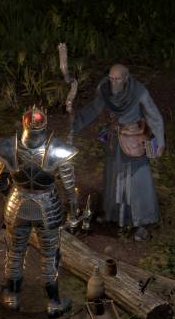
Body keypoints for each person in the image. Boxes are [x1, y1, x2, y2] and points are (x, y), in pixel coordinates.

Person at [0, 107, 82, 317]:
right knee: (49, 256)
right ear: (45, 125)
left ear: (24, 123)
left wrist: (10, 193)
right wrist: (73, 212)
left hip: (16, 205)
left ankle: (12, 297)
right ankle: (54, 303)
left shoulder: (7, 148)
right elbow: (69, 189)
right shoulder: (59, 151)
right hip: (48, 208)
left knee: (15, 253)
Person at [69, 63, 165, 240]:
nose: (113, 82)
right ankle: (114, 215)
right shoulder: (106, 90)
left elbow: (154, 116)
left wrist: (159, 142)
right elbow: (93, 109)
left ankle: (141, 223)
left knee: (137, 180)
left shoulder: (139, 91)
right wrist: (73, 126)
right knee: (114, 177)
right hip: (114, 141)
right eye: (111, 78)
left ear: (126, 78)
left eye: (117, 79)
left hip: (133, 141)